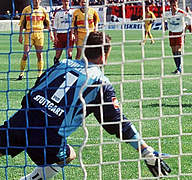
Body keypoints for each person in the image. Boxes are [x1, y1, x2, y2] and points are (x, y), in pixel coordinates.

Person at [0, 31, 171, 179]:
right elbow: (117, 123)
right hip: (47, 137)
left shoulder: (62, 63)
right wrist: (145, 150)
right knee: (69, 155)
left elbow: (35, 89)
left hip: (22, 119)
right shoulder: (99, 82)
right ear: (104, 55)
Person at [17, 0, 54, 80]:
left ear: (40, 1)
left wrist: (51, 33)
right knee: (25, 54)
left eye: (37, 0)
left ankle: (39, 74)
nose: (36, 1)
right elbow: (22, 23)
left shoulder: (43, 10)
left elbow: (48, 23)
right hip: (29, 33)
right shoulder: (26, 10)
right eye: (34, 0)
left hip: (39, 34)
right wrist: (20, 35)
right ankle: (21, 73)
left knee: (39, 55)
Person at [163, 0, 191, 74]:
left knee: (178, 50)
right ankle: (178, 67)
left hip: (179, 33)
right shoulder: (167, 13)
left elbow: (190, 19)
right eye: (173, 5)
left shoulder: (181, 13)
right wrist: (165, 25)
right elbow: (163, 19)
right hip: (171, 33)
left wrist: (185, 29)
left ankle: (179, 68)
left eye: (176, 5)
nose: (174, 7)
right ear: (170, 6)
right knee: (173, 51)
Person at [52, 0, 75, 64]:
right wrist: (55, 37)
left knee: (69, 53)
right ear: (62, 1)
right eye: (64, 1)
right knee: (58, 54)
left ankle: (69, 68)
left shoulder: (72, 11)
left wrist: (73, 34)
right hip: (60, 35)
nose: (66, 3)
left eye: (67, 1)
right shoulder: (58, 12)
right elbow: (55, 26)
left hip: (69, 34)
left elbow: (74, 24)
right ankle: (55, 66)